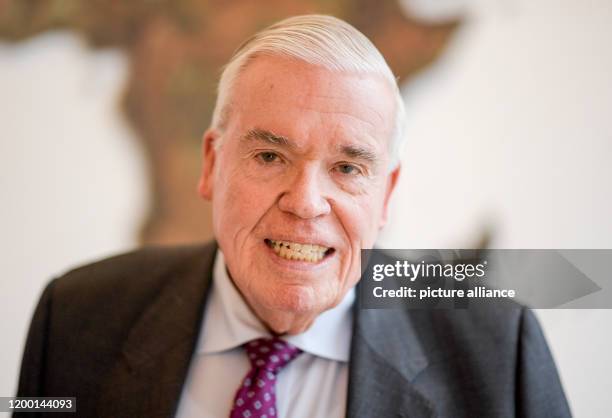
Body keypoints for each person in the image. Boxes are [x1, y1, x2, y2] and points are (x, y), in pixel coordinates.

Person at [15, 14, 570, 418]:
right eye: (269, 157)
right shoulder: (75, 319)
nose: (305, 202)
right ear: (212, 164)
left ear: (386, 195)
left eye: (349, 168)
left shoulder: (499, 355)